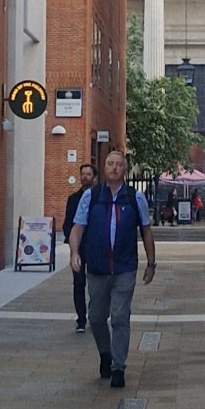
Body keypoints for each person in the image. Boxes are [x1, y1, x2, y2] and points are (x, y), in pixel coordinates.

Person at [68, 149, 156, 387]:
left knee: (119, 317)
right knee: (96, 317)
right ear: (104, 169)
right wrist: (75, 252)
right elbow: (78, 228)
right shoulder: (92, 197)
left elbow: (146, 231)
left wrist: (151, 262)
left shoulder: (135, 198)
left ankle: (118, 367)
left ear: (124, 170)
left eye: (118, 164)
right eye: (110, 164)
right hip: (96, 267)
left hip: (124, 267)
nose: (114, 168)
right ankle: (105, 353)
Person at [61, 162, 96, 332]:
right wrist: (72, 245)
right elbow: (68, 223)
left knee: (97, 283)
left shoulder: (100, 198)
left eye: (88, 174)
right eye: (83, 174)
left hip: (96, 247)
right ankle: (81, 319)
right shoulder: (73, 199)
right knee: (79, 282)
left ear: (94, 177)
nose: (85, 177)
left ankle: (95, 313)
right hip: (79, 247)